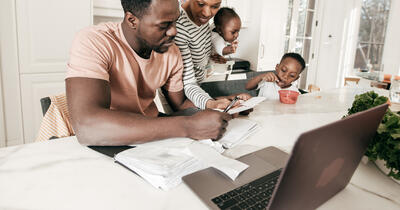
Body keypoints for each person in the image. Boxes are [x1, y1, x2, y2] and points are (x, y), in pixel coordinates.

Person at [65, 0, 231, 146]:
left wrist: (217, 107)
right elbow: (87, 126)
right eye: (164, 25)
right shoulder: (95, 41)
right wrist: (188, 126)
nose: (174, 32)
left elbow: (180, 104)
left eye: (175, 22)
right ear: (132, 20)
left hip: (149, 138)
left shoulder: (171, 52)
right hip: (105, 142)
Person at [175, 0, 250, 110]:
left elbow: (199, 50)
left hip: (196, 95)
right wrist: (213, 104)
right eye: (200, 4)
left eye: (215, 6)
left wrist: (210, 55)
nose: (207, 13)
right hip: (180, 100)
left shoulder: (202, 20)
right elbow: (188, 84)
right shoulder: (179, 27)